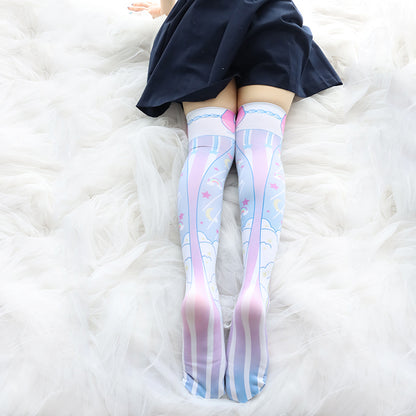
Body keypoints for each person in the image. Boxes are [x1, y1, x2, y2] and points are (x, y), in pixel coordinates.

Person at [129, 0, 343, 403]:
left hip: (202, 20)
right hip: (272, 19)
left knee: (209, 145)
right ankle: (255, 285)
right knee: (261, 143)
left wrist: (163, 10)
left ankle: (199, 282)